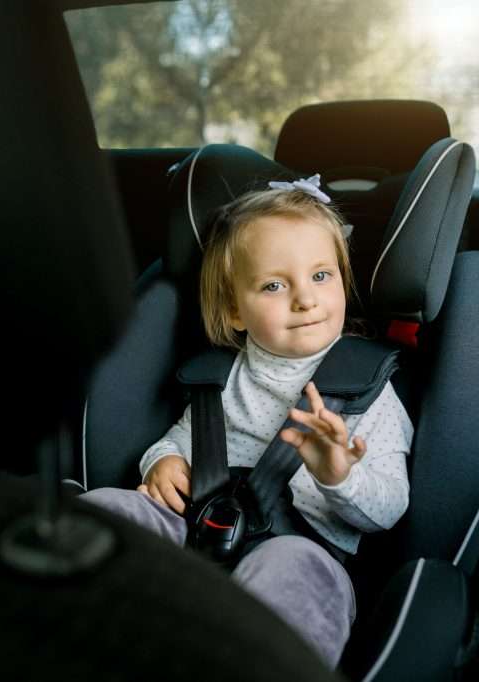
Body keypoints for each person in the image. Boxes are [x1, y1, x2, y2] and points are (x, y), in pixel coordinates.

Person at [82, 176, 412, 667]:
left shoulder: (369, 391)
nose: (305, 299)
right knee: (106, 509)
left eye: (322, 276)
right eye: (275, 285)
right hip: (193, 531)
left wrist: (339, 475)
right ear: (235, 309)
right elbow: (182, 438)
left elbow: (390, 510)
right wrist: (164, 460)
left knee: (292, 577)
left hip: (302, 547)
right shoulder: (220, 376)